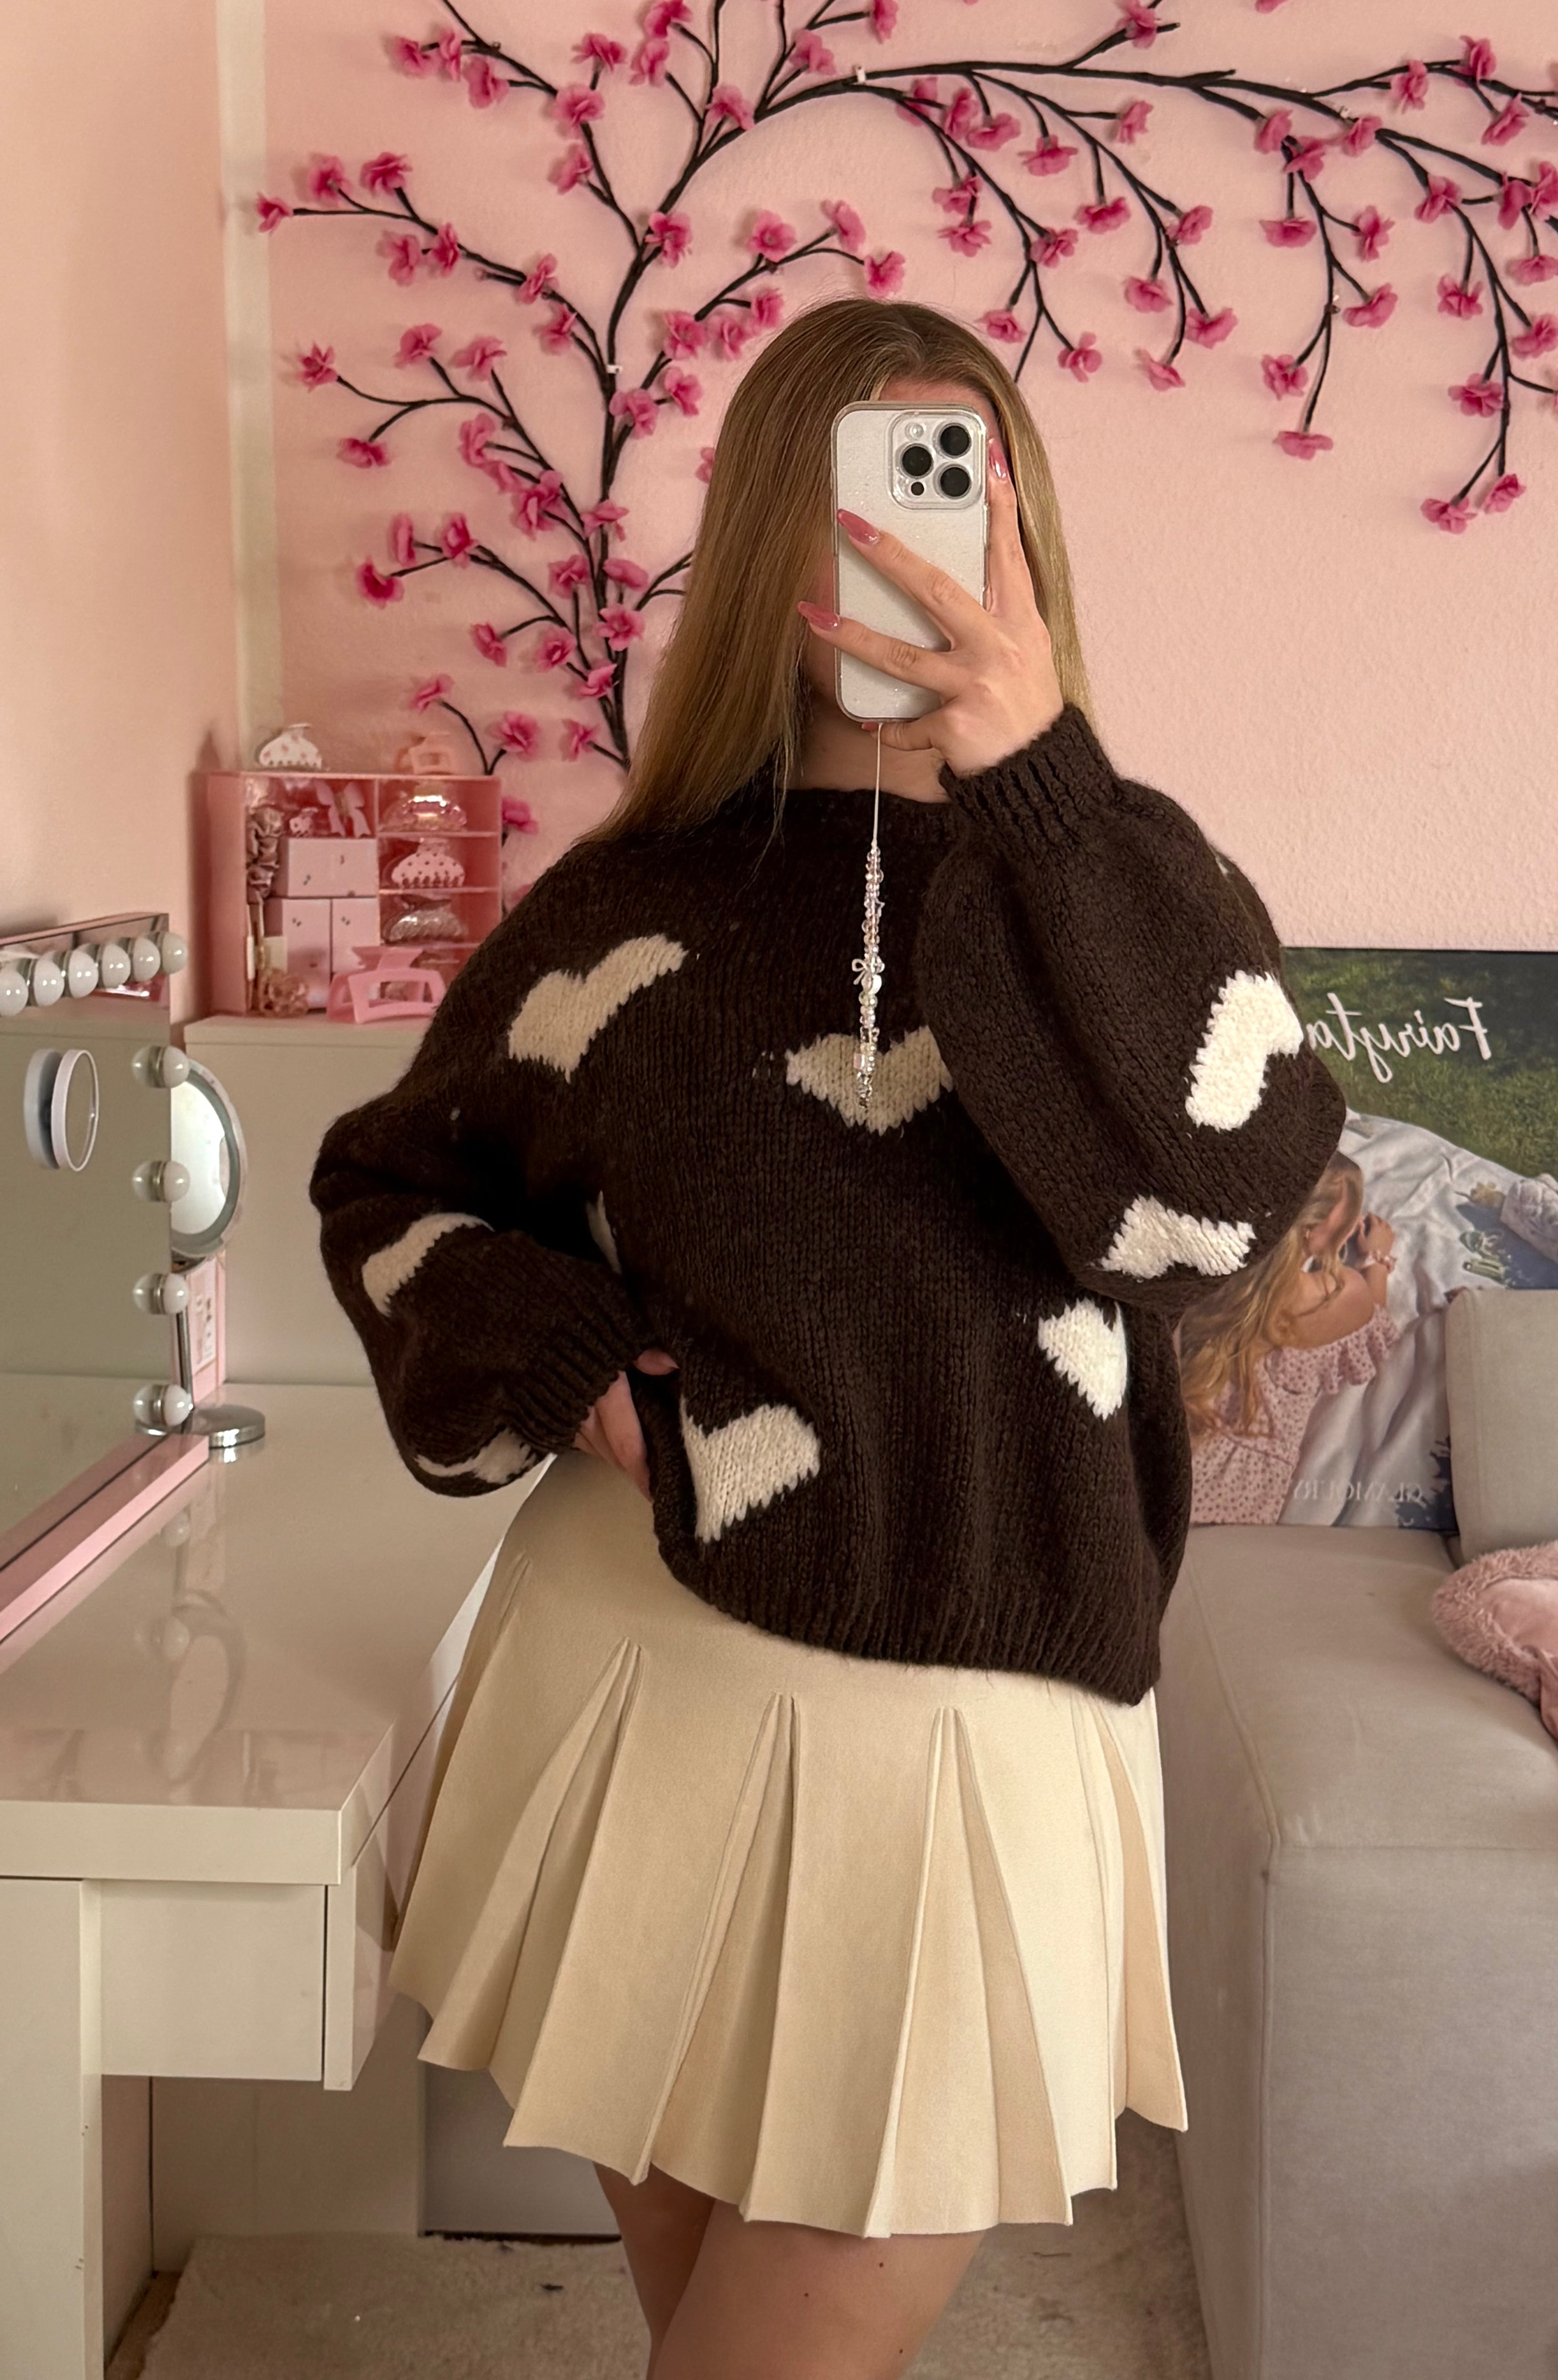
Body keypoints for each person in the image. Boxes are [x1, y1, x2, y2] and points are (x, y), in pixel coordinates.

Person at [310, 295, 1346, 2380]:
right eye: (862, 494)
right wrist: (562, 1351)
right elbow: (389, 1189)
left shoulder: (1134, 884)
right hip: (639, 1680)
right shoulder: (624, 906)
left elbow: (1217, 1202)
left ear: (1023, 537)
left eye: (959, 494)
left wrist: (1038, 791)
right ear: (773, 540)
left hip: (985, 1712)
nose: (910, 544)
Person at [1180, 1153, 1402, 1526]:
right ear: (1321, 1232)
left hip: (1167, 1451)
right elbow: (1376, 1323)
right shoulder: (1335, 1296)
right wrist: (1377, 1259)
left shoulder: (1212, 1271)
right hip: (1238, 1500)